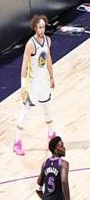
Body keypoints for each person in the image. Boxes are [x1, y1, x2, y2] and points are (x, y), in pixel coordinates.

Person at [13, 14, 56, 156]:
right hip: (32, 83)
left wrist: (51, 76)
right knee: (26, 111)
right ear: (35, 28)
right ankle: (17, 141)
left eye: (43, 27)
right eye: (39, 27)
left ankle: (51, 133)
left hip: (43, 81)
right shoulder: (30, 44)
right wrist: (23, 86)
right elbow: (24, 66)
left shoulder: (48, 40)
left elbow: (48, 59)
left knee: (47, 107)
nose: (42, 30)